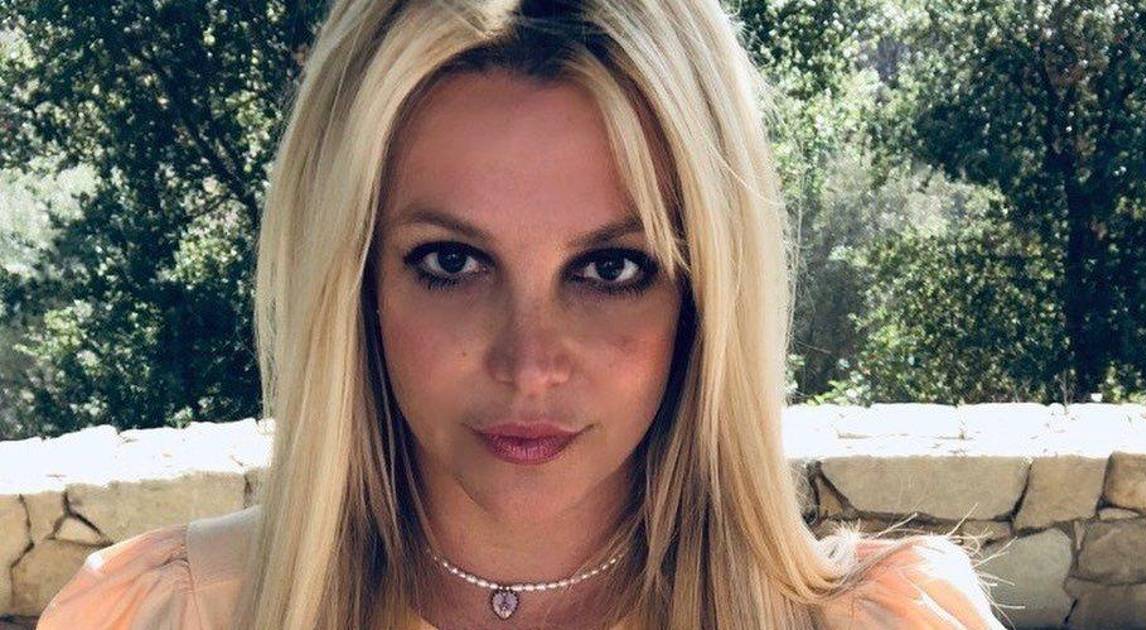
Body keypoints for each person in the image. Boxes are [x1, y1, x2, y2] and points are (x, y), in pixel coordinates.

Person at [37, 0, 1005, 628]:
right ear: (354, 283)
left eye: (612, 268)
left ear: (709, 295)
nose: (530, 362)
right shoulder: (162, 615)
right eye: (451, 262)